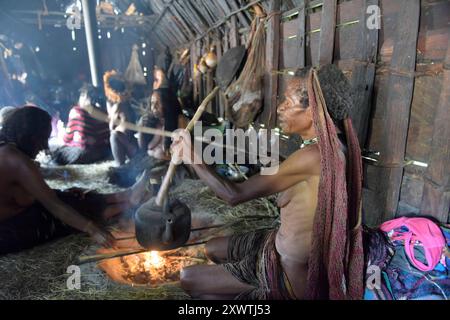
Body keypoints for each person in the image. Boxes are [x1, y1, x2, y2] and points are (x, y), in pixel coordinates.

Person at [170, 64, 364, 300]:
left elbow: (234, 195)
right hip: (278, 248)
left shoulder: (314, 157)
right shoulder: (334, 148)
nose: (280, 108)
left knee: (188, 280)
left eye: (288, 102)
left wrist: (192, 158)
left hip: (287, 274)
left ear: (313, 110)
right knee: (212, 248)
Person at [0, 106, 151, 255]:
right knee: (57, 215)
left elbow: (30, 193)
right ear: (29, 136)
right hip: (7, 233)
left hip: (13, 218)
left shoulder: (6, 148)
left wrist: (61, 193)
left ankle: (126, 196)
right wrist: (92, 229)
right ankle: (125, 204)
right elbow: (54, 205)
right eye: (43, 138)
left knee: (70, 196)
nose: (45, 146)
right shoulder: (15, 160)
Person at [51, 84, 110, 165]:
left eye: (82, 95)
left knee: (56, 153)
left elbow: (67, 139)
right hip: (101, 153)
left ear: (85, 97)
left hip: (82, 154)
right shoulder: (102, 111)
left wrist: (62, 133)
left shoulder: (77, 111)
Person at [104, 70, 138, 165]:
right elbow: (111, 126)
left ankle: (123, 164)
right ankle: (121, 167)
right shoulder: (112, 103)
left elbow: (132, 124)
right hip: (121, 138)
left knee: (114, 135)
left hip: (130, 138)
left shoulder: (126, 102)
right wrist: (116, 107)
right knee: (114, 135)